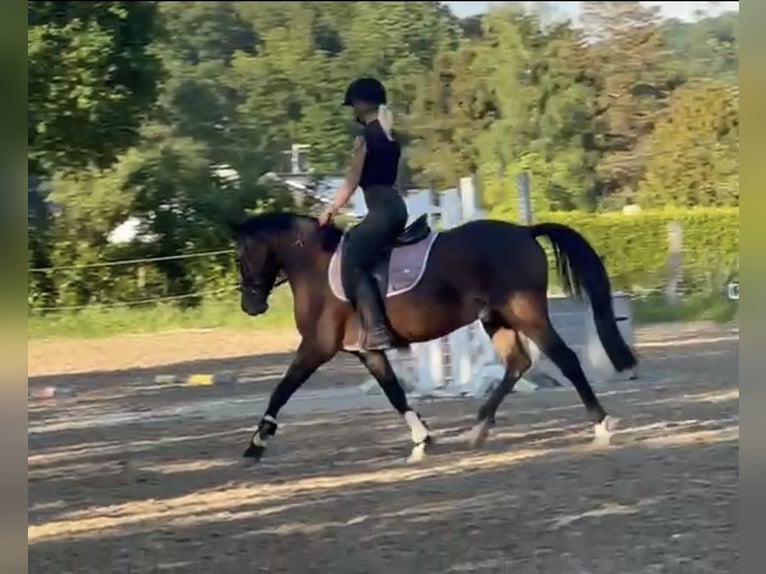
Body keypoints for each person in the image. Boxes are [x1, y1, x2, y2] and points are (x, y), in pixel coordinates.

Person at [318, 77, 408, 350]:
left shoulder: (365, 138)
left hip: (381, 210)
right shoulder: (391, 136)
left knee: (352, 260)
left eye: (353, 106)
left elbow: (352, 181)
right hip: (395, 207)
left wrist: (330, 210)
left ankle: (377, 329)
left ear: (359, 104)